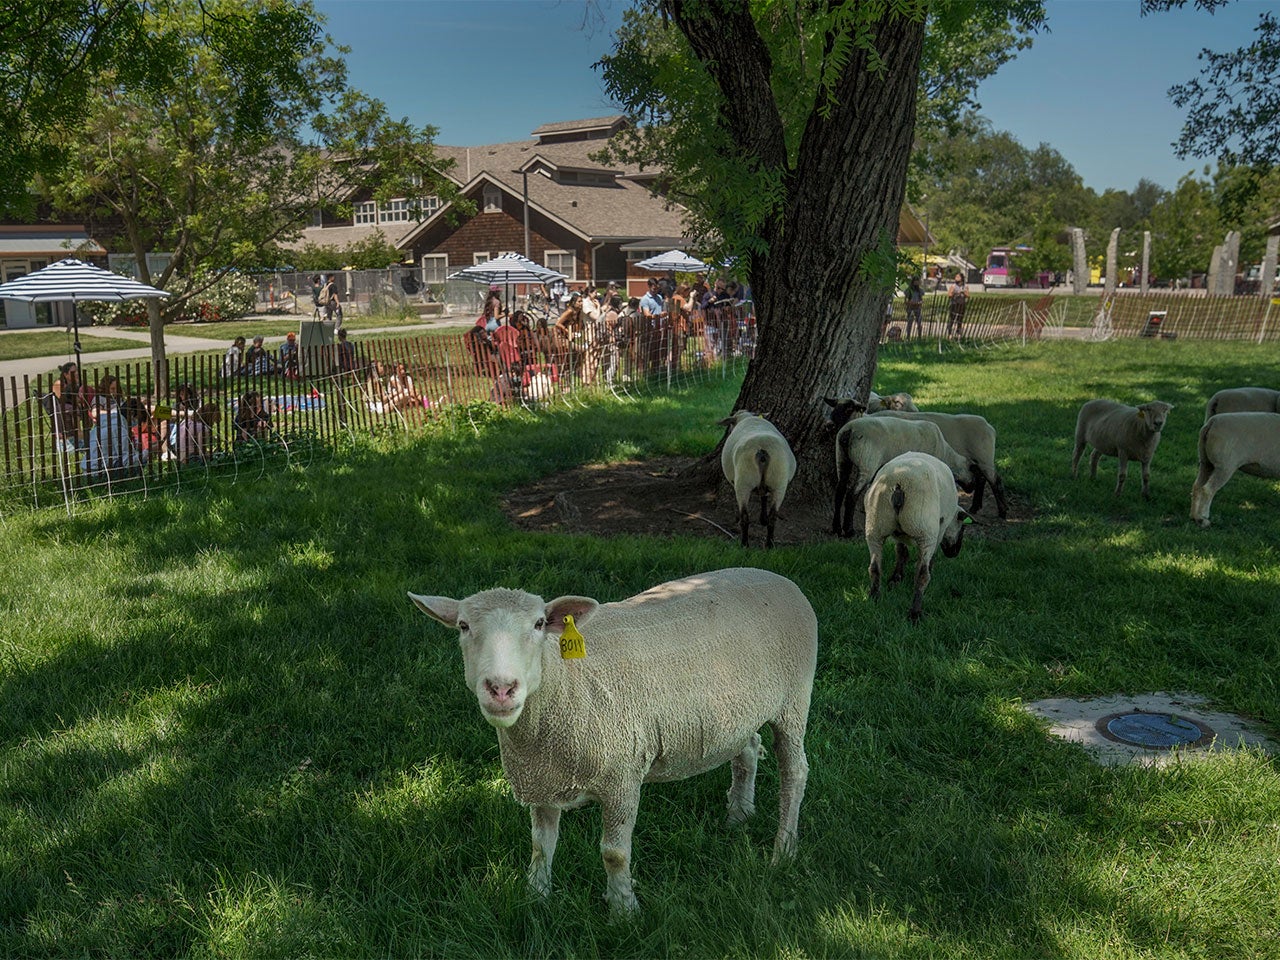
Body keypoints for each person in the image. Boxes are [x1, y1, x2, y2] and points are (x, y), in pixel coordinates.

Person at [947, 272, 968, 337]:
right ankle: (949, 333)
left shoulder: (965, 286)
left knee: (960, 319)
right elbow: (949, 295)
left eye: (958, 277)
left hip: (961, 304)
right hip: (954, 304)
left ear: (961, 278)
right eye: (956, 277)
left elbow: (968, 295)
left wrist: (963, 292)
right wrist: (955, 293)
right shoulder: (953, 286)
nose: (956, 278)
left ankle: (958, 332)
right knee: (952, 318)